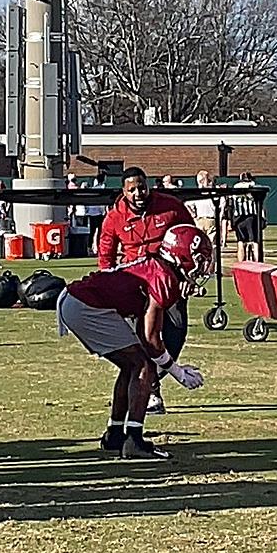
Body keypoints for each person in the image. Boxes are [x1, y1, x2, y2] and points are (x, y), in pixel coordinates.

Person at [59, 225, 212, 459]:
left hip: (79, 301)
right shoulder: (164, 278)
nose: (202, 267)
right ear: (182, 254)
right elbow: (151, 339)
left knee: (132, 365)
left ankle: (115, 434)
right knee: (143, 367)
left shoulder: (159, 270)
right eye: (199, 258)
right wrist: (176, 371)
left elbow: (145, 333)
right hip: (85, 305)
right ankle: (133, 440)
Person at [99, 166, 194, 416]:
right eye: (132, 189)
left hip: (169, 280)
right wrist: (108, 283)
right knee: (144, 338)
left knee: (176, 332)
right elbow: (106, 254)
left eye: (142, 187)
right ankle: (150, 389)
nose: (138, 193)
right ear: (123, 191)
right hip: (136, 283)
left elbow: (191, 239)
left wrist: (188, 276)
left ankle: (155, 377)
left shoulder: (171, 207)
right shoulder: (114, 217)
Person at [230, 172, 263, 262]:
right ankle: (257, 263)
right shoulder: (252, 185)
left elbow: (230, 205)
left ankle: (241, 264)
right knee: (255, 242)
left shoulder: (235, 187)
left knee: (241, 242)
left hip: (238, 218)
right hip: (250, 216)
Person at [187, 170, 217, 241]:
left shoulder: (213, 192)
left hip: (211, 219)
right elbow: (187, 204)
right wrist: (193, 215)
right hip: (200, 220)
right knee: (200, 242)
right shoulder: (197, 194)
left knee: (212, 242)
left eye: (202, 180)